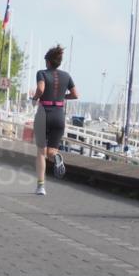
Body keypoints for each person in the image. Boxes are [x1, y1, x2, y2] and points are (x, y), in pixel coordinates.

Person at [31, 45, 78, 195]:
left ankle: (41, 186)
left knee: (40, 152)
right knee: (51, 151)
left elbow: (41, 89)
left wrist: (35, 98)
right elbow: (76, 94)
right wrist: (62, 97)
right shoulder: (67, 76)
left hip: (44, 113)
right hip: (59, 115)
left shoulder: (42, 73)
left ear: (48, 61)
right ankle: (56, 157)